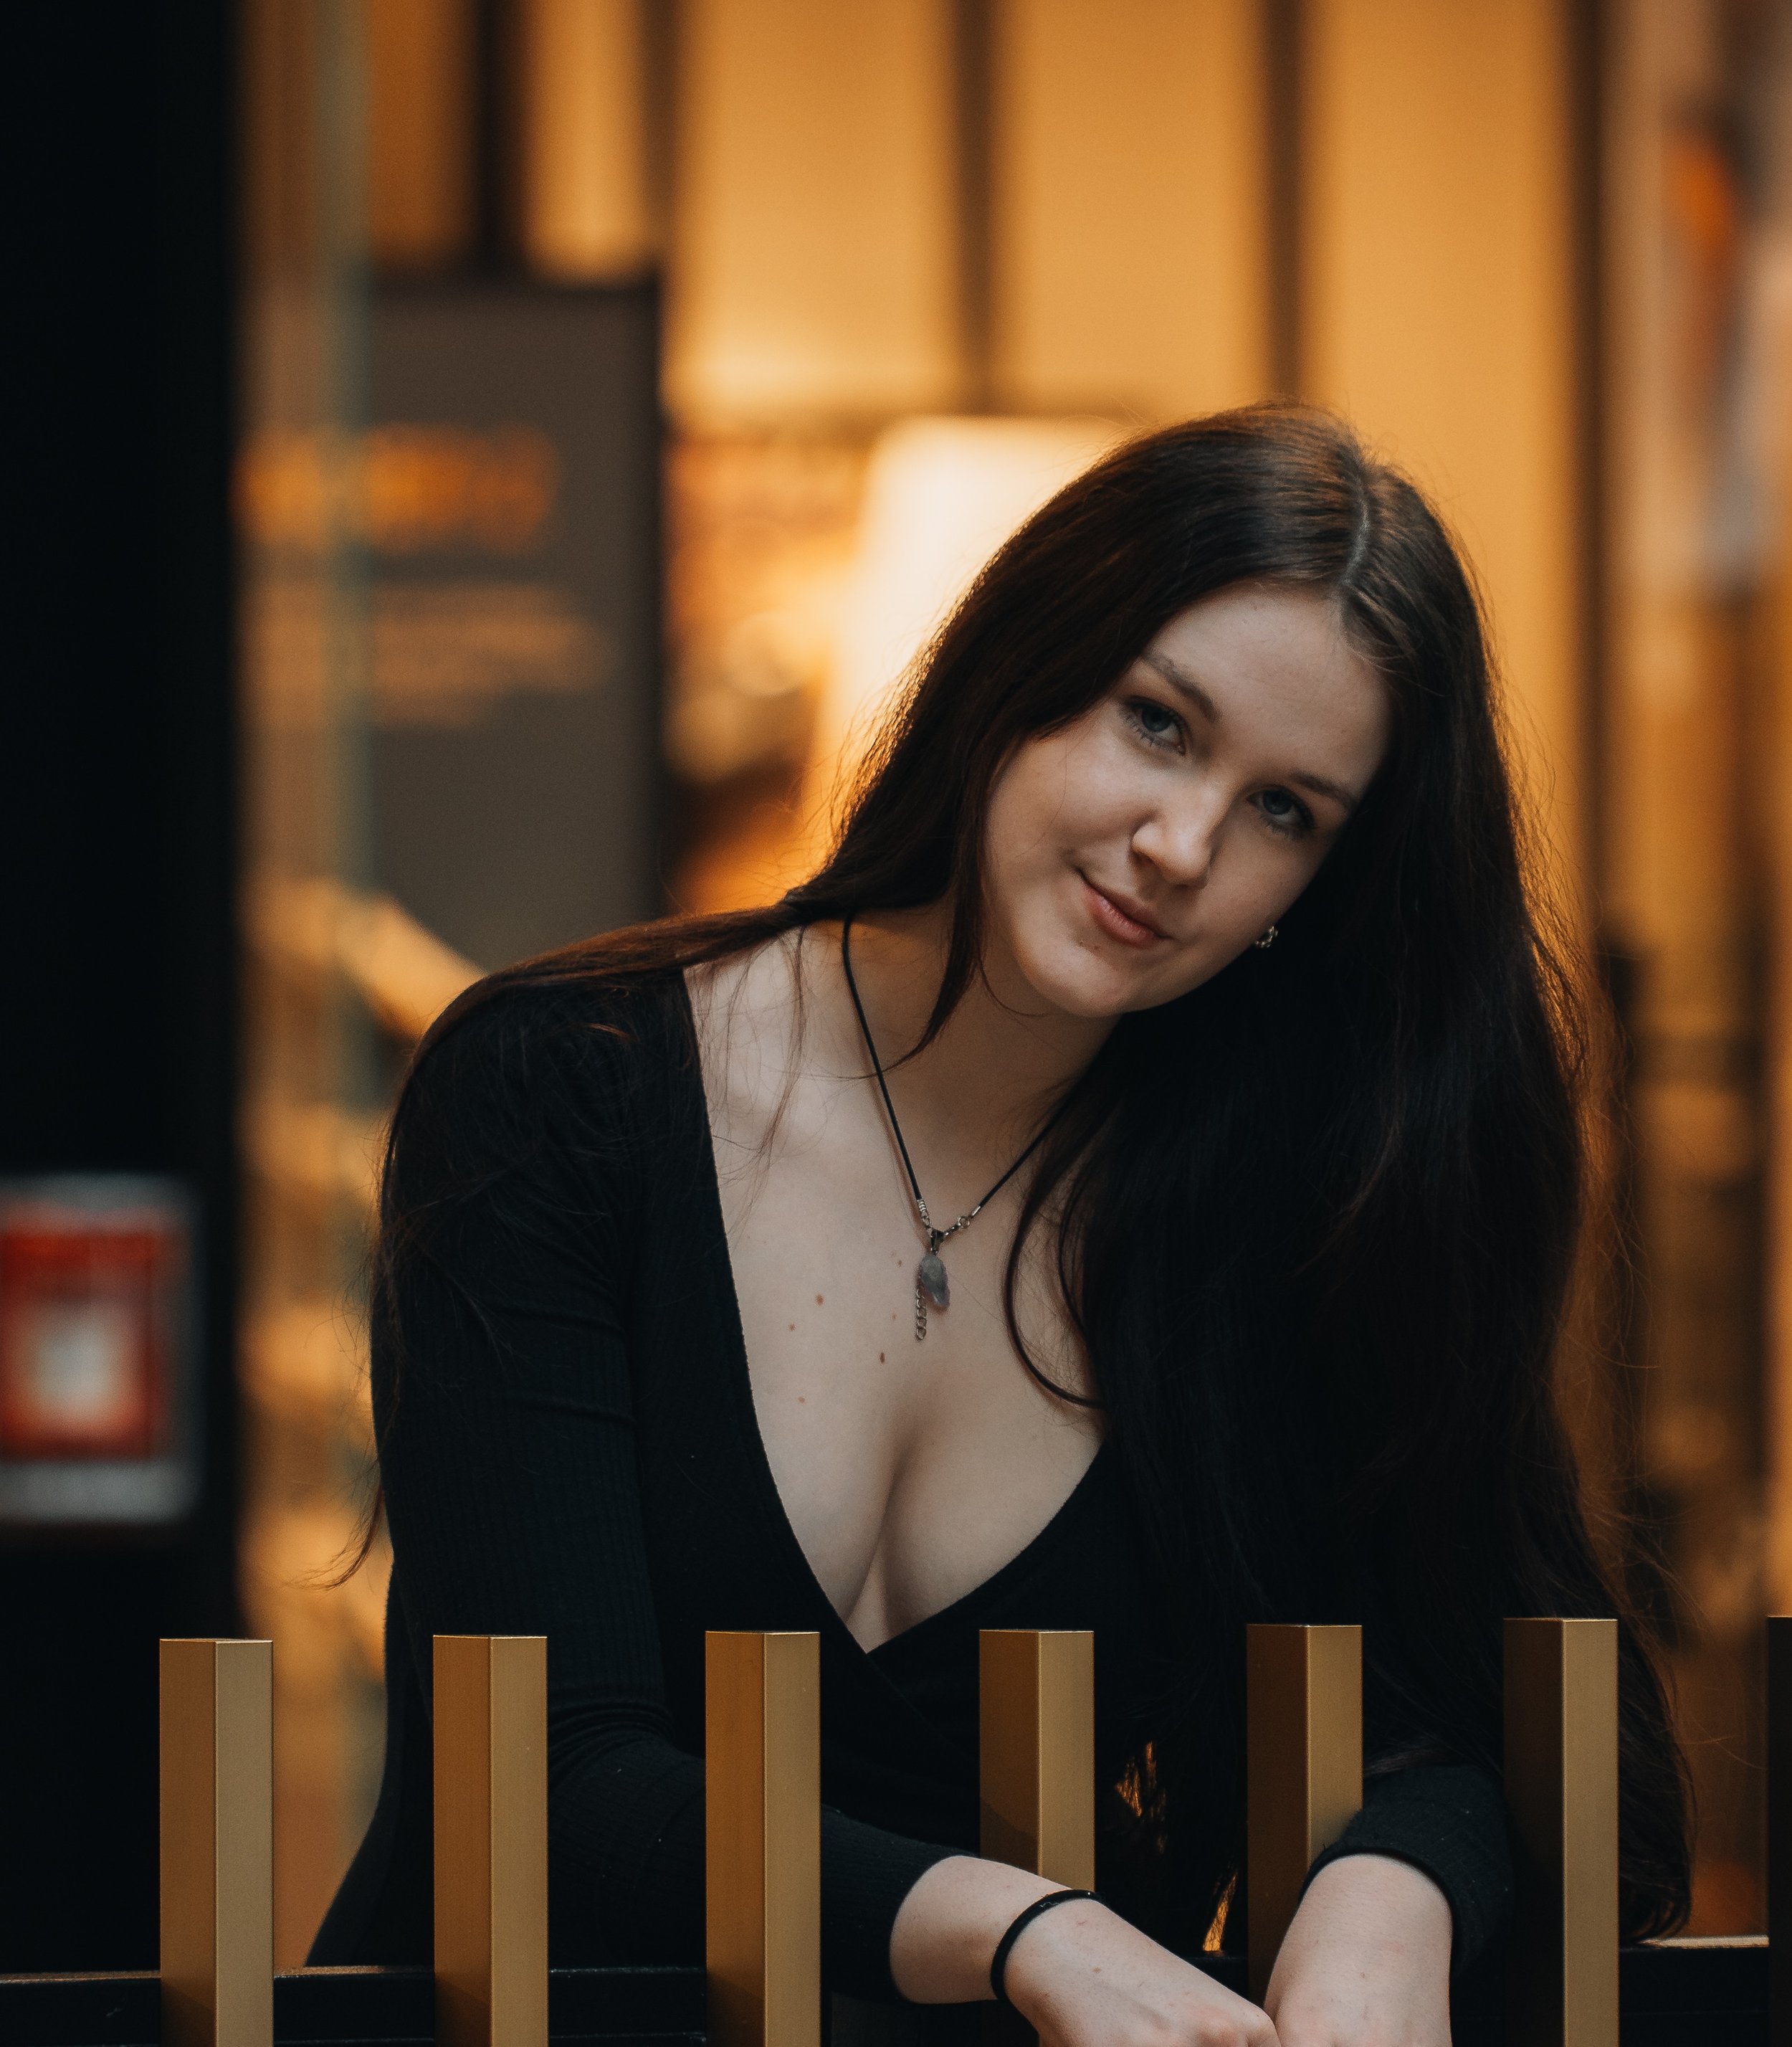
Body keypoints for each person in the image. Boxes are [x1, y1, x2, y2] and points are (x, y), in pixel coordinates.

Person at [312, 406, 1692, 2046]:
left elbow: (1509, 1722)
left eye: (1284, 815)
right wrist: (1026, 1928)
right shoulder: (562, 1089)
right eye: (1159, 725)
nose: (1178, 848)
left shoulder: (1254, 1213)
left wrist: (1377, 1909)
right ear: (1017, 671)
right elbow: (544, 1778)